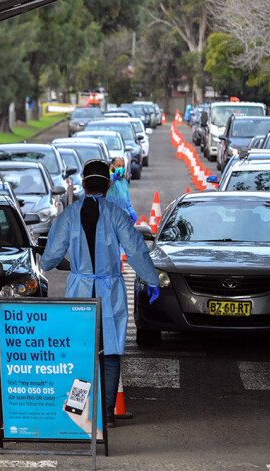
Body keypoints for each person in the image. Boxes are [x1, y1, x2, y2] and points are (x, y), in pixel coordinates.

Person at [39, 159, 160, 428]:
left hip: (80, 290)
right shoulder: (116, 214)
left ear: (83, 184)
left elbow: (49, 259)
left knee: (81, 350)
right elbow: (137, 250)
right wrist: (152, 280)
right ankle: (106, 414)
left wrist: (50, 260)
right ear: (107, 185)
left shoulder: (68, 215)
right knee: (111, 351)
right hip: (110, 290)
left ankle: (78, 411)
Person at [106, 157, 137, 223]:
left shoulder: (124, 182)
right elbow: (108, 184)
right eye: (119, 166)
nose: (121, 168)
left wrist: (131, 212)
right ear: (112, 166)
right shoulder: (107, 179)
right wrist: (113, 177)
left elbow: (127, 201)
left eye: (123, 166)